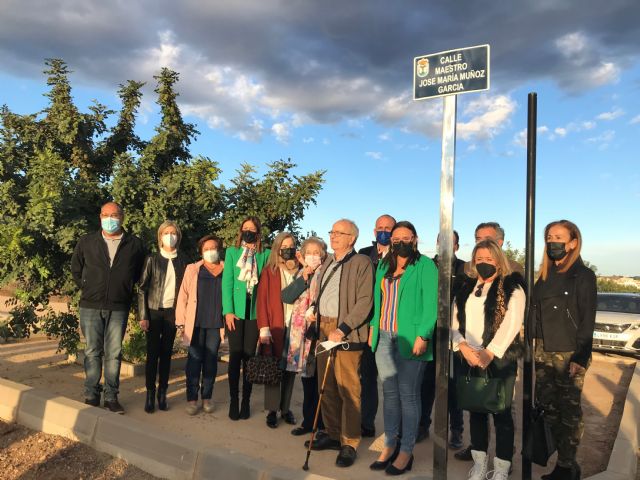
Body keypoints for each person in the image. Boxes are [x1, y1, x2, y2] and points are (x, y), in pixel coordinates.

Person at [451, 239, 525, 480]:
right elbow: (454, 320)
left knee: (501, 413)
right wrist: (461, 345)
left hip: (498, 359)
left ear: (499, 260)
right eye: (479, 259)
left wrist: (489, 352)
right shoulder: (466, 286)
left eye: (489, 259)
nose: (483, 263)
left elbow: (512, 323)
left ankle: (502, 468)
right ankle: (479, 464)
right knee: (476, 411)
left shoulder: (511, 286)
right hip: (468, 357)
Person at [368, 221, 438, 475]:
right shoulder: (385, 265)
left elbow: (432, 304)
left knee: (408, 396)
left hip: (411, 338)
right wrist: (374, 329)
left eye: (405, 238)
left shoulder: (426, 266)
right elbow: (379, 300)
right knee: (390, 394)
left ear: (415, 239)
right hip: (384, 337)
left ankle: (406, 450)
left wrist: (424, 334)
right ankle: (389, 445)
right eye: (395, 239)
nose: (399, 242)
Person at [531, 220, 596, 480]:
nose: (552, 241)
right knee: (549, 408)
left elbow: (587, 318)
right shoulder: (544, 277)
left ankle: (567, 465)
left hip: (569, 353)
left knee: (569, 411)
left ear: (572, 242)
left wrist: (581, 355)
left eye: (558, 237)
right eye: (549, 236)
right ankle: (560, 461)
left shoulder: (583, 275)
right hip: (543, 350)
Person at [306, 219, 373, 468]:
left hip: (346, 332)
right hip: (324, 328)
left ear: (352, 238)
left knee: (349, 389)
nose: (333, 236)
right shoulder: (327, 262)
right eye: (332, 232)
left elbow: (365, 301)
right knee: (328, 386)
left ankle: (350, 442)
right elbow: (323, 293)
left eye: (339, 233)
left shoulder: (361, 263)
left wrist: (343, 328)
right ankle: (333, 434)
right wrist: (315, 309)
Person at [70, 201, 145, 414]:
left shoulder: (134, 244)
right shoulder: (87, 241)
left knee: (114, 353)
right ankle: (91, 394)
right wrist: (87, 287)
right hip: (90, 306)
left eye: (114, 215)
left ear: (122, 217)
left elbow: (140, 273)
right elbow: (76, 268)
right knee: (92, 351)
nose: (109, 218)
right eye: (105, 214)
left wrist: (125, 289)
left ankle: (111, 397)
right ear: (100, 217)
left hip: (118, 307)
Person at [419, 230, 466, 446]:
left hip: (454, 335)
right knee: (426, 384)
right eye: (441, 241)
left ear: (457, 246)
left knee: (453, 387)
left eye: (451, 242)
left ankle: (456, 431)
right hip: (430, 333)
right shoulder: (426, 266)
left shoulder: (465, 269)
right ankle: (422, 426)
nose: (445, 245)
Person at [137, 221, 189, 413]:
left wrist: (182, 317)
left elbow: (186, 290)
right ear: (160, 236)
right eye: (166, 233)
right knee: (152, 355)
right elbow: (142, 289)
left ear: (178, 236)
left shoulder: (183, 260)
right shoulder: (152, 259)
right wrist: (143, 316)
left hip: (171, 314)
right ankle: (150, 394)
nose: (170, 236)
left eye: (173, 233)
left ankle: (162, 394)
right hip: (153, 312)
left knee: (167, 354)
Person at [222, 216, 270, 420]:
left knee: (249, 358)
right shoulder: (233, 252)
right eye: (245, 228)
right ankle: (234, 399)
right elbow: (228, 283)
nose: (248, 231)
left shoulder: (265, 254)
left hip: (254, 314)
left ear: (258, 232)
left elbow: (268, 286)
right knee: (235, 356)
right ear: (240, 231)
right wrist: (228, 310)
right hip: (235, 313)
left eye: (251, 229)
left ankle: (246, 401)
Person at [281, 236, 328, 436]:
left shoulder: (326, 273)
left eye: (316, 253)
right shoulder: (302, 273)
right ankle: (308, 422)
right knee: (307, 380)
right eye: (309, 253)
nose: (312, 256)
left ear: (323, 255)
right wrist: (304, 277)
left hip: (319, 332)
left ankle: (323, 424)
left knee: (320, 382)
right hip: (301, 334)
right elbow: (286, 296)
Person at [175, 235, 225, 415]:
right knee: (194, 362)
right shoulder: (193, 269)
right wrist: (180, 323)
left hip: (215, 324)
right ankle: (192, 399)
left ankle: (207, 397)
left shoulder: (227, 269)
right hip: (194, 324)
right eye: (206, 249)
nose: (211, 251)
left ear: (219, 249)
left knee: (211, 362)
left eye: (214, 248)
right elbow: (183, 297)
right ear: (201, 252)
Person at [358, 214, 396, 438]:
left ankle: (396, 429)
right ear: (374, 232)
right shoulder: (363, 255)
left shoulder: (401, 258)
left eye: (388, 228)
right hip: (365, 325)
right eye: (380, 228)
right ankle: (366, 421)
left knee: (392, 380)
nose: (384, 231)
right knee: (367, 376)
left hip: (390, 326)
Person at [256, 232, 300, 428]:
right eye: (285, 245)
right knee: (274, 367)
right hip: (276, 325)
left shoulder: (302, 270)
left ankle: (285, 407)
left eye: (291, 245)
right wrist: (263, 328)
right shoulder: (270, 271)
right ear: (278, 248)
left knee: (290, 369)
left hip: (297, 326)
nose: (288, 249)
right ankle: (272, 410)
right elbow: (262, 301)